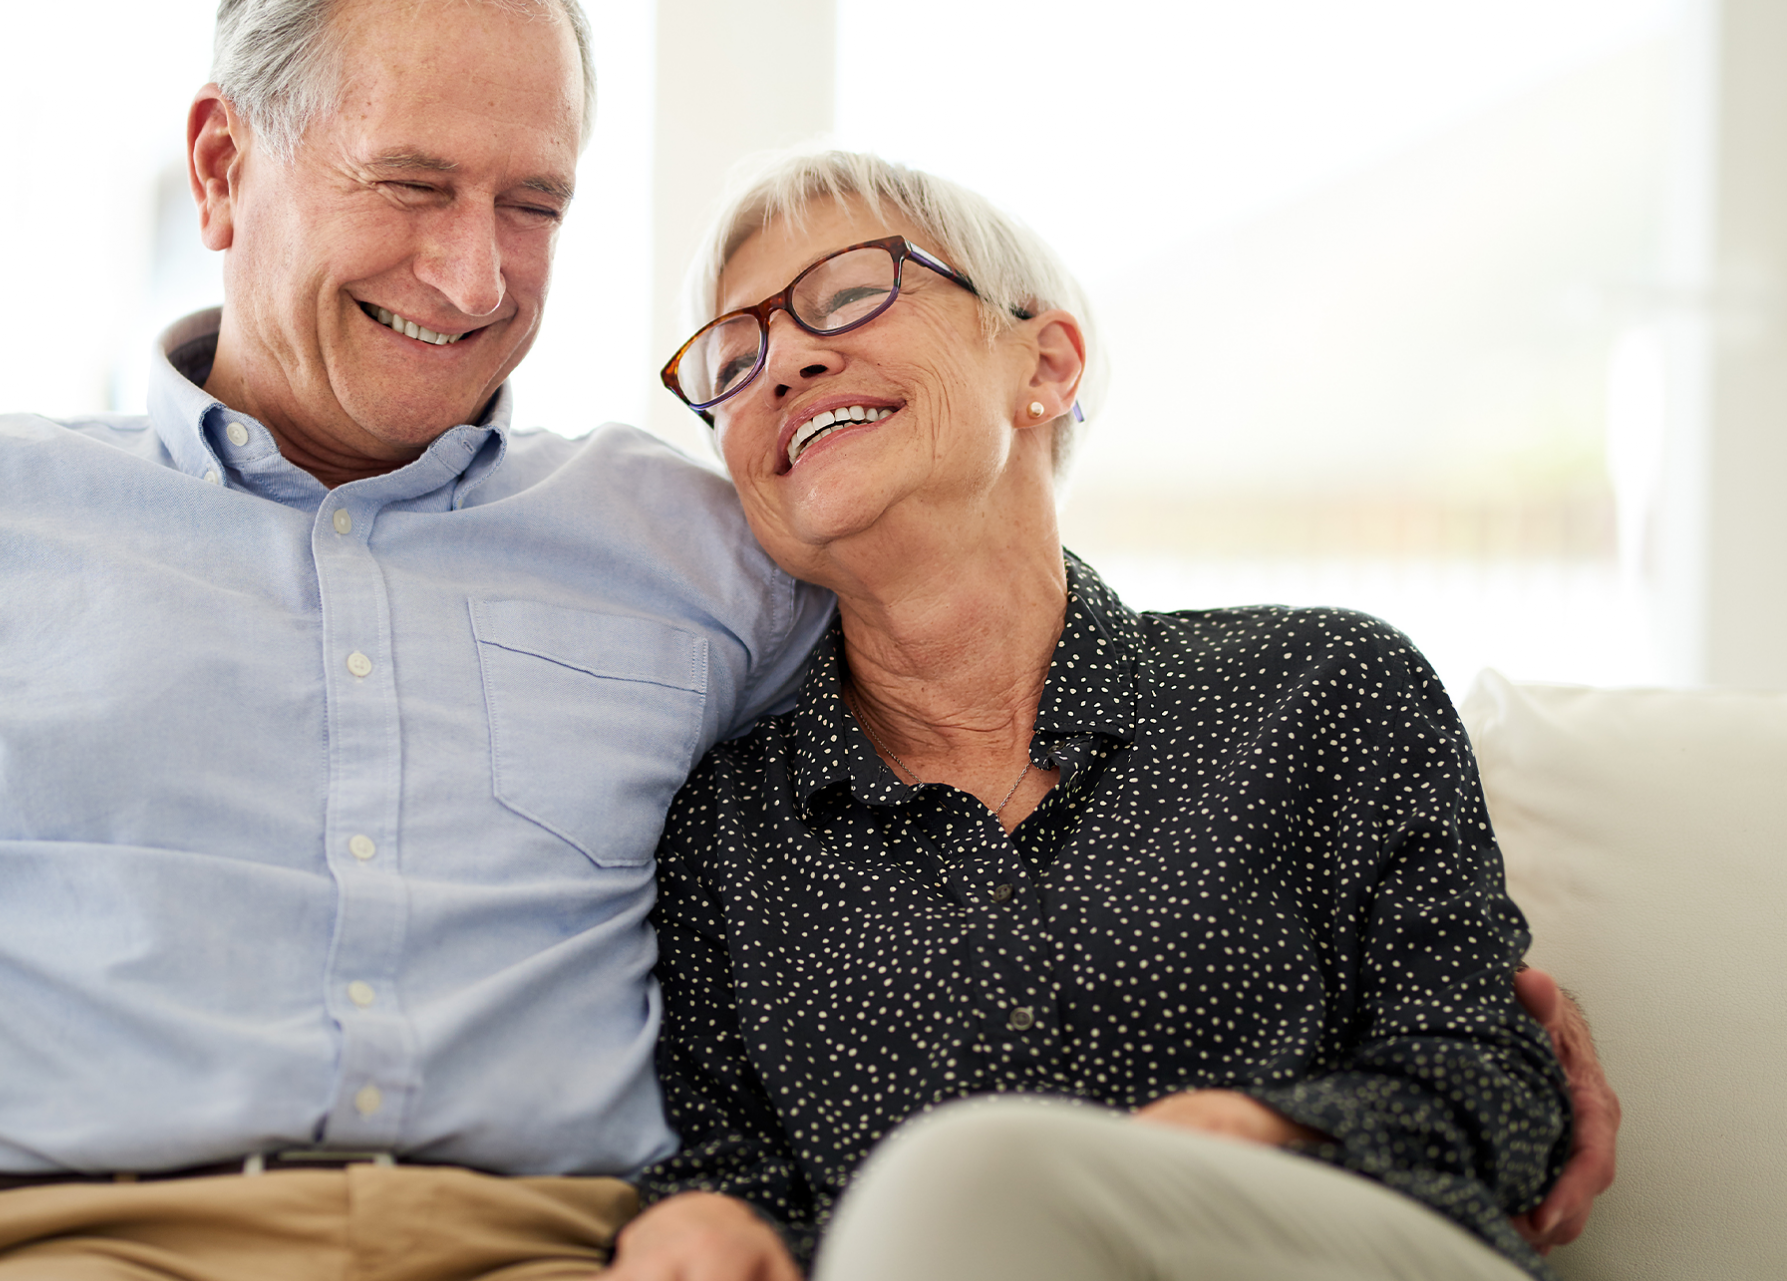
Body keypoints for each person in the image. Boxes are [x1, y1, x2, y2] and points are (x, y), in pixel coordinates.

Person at [0, 0, 832, 1281]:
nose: (473, 279)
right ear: (219, 167)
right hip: (75, 1246)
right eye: (412, 184)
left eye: (531, 204)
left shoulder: (694, 545)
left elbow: (981, 723)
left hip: (553, 1250)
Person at [609, 150, 1593, 1281]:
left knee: (960, 1174)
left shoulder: (1323, 684)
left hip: (1314, 1246)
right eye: (736, 358)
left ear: (1046, 363)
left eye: (848, 294)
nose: (785, 359)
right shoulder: (718, 823)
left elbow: (1505, 1086)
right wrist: (692, 1219)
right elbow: (714, 1159)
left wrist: (1265, 1132)